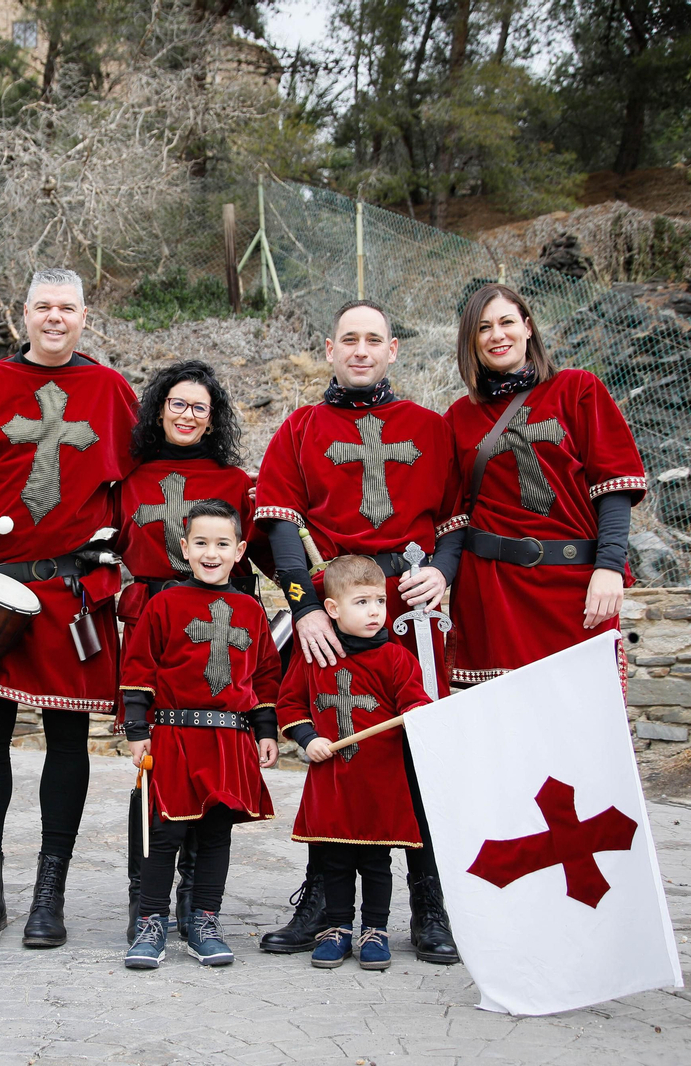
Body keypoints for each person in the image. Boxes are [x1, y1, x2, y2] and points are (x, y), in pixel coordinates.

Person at [0, 267, 138, 948]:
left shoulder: (111, 391)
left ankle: (49, 898)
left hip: (72, 594)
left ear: (84, 316)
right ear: (24, 314)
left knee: (67, 740)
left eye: (66, 307)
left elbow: (143, 487)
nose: (54, 318)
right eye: (43, 306)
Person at [253, 299, 461, 964]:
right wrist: (305, 607)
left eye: (374, 339)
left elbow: (456, 521)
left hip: (411, 612)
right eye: (349, 339)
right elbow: (281, 528)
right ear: (330, 348)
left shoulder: (430, 428)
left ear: (393, 349)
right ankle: (322, 904)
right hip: (333, 615)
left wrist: (444, 573)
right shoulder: (300, 429)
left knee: (417, 752)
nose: (361, 350)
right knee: (334, 756)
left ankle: (429, 906)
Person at [112, 359, 257, 942]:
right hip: (153, 628)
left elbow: (259, 555)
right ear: (159, 410)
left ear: (213, 417)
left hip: (216, 633)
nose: (188, 415)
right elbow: (103, 544)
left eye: (200, 407)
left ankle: (197, 902)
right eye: (178, 404)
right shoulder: (129, 478)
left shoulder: (235, 482)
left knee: (210, 772)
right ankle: (144, 900)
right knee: (154, 770)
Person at [442, 283, 646, 689]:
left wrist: (609, 567)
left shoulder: (578, 389)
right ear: (471, 341)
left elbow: (614, 485)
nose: (497, 335)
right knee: (504, 719)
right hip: (493, 593)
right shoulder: (459, 417)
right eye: (483, 328)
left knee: (583, 710)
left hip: (573, 586)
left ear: (528, 327)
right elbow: (454, 514)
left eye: (506, 322)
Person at [119, 500, 281, 969]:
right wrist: (137, 727)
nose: (212, 553)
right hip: (174, 735)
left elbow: (265, 676)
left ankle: (204, 921)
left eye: (223, 544)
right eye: (202, 543)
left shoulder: (251, 610)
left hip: (230, 738)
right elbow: (139, 666)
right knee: (164, 832)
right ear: (185, 547)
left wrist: (265, 730)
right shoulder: (164, 604)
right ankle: (151, 923)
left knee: (215, 833)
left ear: (240, 551)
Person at [275, 555, 432, 971]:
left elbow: (415, 702)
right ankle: (337, 929)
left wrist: (417, 714)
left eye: (379, 601)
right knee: (336, 860)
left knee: (377, 861)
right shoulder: (314, 657)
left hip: (379, 780)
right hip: (333, 777)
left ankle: (375, 930)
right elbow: (290, 705)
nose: (374, 611)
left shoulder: (397, 659)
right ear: (332, 608)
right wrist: (309, 739)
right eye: (361, 602)